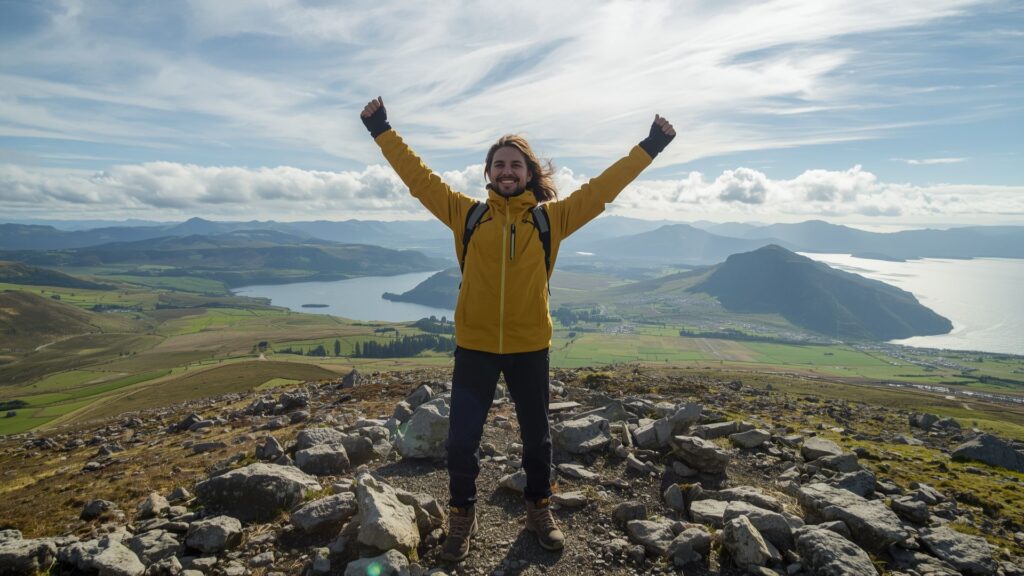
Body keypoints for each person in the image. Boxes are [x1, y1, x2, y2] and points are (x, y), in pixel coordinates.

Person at [360, 97, 674, 561]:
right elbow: (418, 178)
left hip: (530, 346)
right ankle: (463, 515)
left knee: (536, 436)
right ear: (488, 174)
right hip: (476, 346)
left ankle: (539, 508)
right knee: (462, 439)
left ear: (529, 173)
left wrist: (651, 145)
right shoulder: (465, 214)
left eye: (515, 164)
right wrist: (381, 129)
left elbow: (603, 188)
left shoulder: (551, 219)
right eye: (499, 164)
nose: (507, 171)